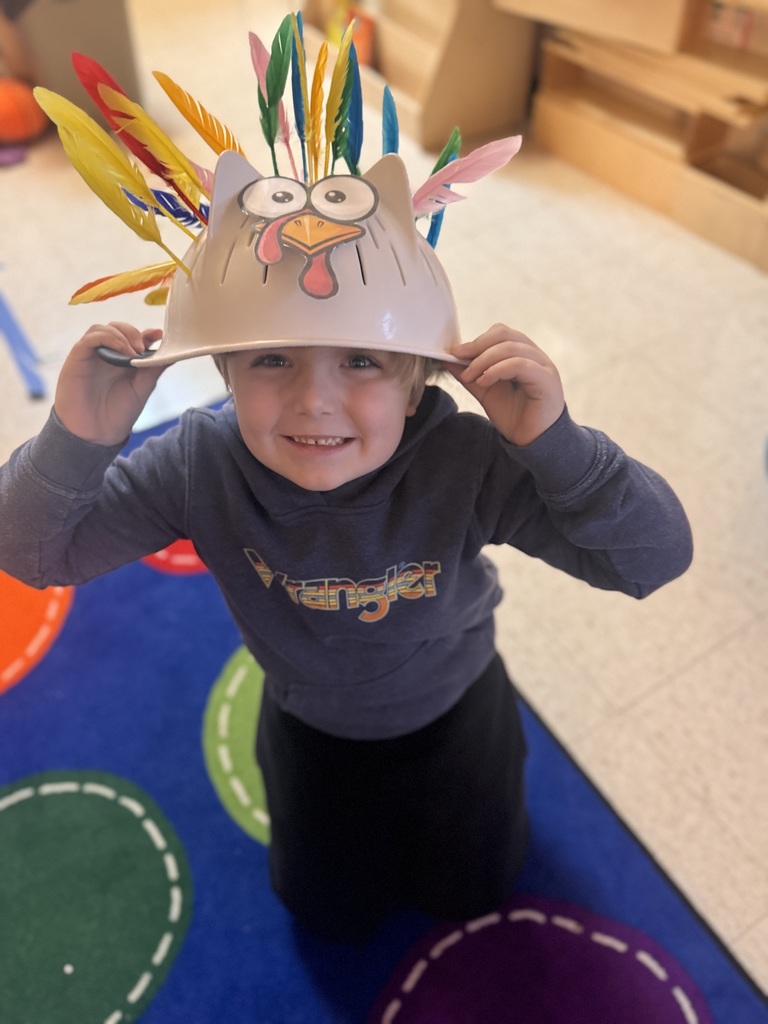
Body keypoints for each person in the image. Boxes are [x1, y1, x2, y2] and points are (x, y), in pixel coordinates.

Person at [0, 28, 692, 942]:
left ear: (420, 380)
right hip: (309, 728)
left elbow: (654, 560)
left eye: (363, 359)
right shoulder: (198, 462)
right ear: (225, 369)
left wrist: (559, 446)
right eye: (272, 358)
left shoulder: (465, 459)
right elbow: (31, 552)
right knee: (326, 913)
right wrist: (76, 441)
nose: (313, 400)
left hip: (459, 713)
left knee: (474, 893)